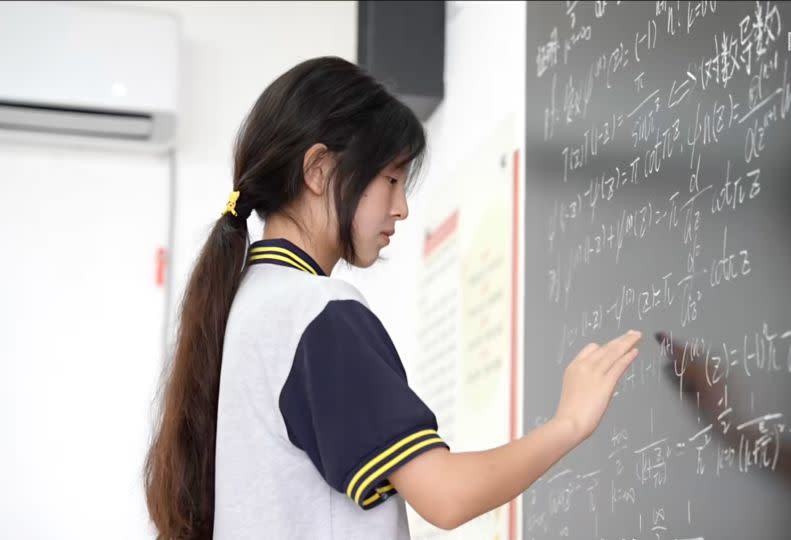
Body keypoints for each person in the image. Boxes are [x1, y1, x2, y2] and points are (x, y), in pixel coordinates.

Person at [142, 56, 642, 540]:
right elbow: (446, 496)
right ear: (318, 170)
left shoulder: (244, 304)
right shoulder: (317, 313)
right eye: (391, 180)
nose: (401, 208)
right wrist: (568, 423)